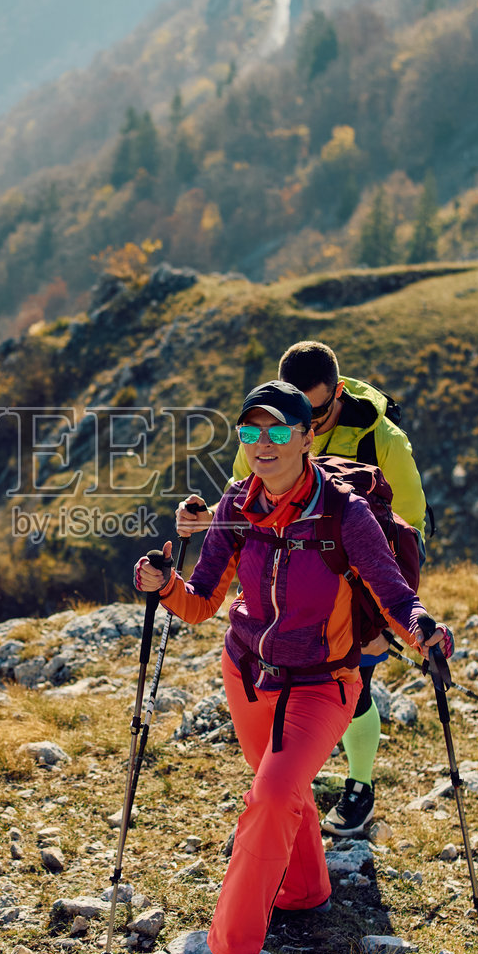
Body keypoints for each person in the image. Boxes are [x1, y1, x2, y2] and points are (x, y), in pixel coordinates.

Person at [135, 380, 452, 954]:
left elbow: (392, 594)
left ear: (309, 436)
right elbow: (201, 604)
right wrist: (164, 585)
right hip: (246, 673)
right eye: (250, 431)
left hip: (322, 682)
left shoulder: (344, 514)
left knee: (274, 792)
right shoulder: (234, 505)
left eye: (278, 430)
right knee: (281, 793)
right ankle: (305, 889)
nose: (262, 444)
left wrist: (423, 632)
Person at [177, 341, 427, 839]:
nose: (306, 421)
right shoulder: (269, 426)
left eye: (317, 412)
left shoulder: (385, 441)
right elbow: (244, 505)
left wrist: (382, 621)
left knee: (354, 691)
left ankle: (360, 788)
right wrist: (205, 521)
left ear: (337, 393)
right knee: (282, 697)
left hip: (357, 590)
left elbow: (409, 532)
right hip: (286, 593)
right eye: (299, 408)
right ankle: (288, 799)